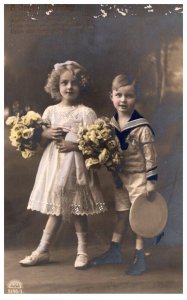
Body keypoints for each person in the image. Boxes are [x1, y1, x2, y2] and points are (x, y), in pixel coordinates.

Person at [19, 60, 107, 269]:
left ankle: (82, 251)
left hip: (76, 167)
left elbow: (95, 145)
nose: (69, 87)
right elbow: (41, 143)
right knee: (56, 209)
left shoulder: (86, 112)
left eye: (74, 83)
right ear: (56, 86)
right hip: (54, 166)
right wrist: (46, 134)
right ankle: (43, 250)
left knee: (77, 209)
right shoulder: (50, 111)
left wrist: (75, 146)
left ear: (81, 85)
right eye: (64, 83)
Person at [89, 74, 158, 275]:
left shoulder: (141, 126)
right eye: (118, 95)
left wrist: (151, 180)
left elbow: (150, 155)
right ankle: (115, 250)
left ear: (136, 98)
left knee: (138, 217)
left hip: (139, 177)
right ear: (111, 96)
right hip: (121, 177)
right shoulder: (110, 125)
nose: (123, 100)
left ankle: (140, 255)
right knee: (122, 214)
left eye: (129, 96)